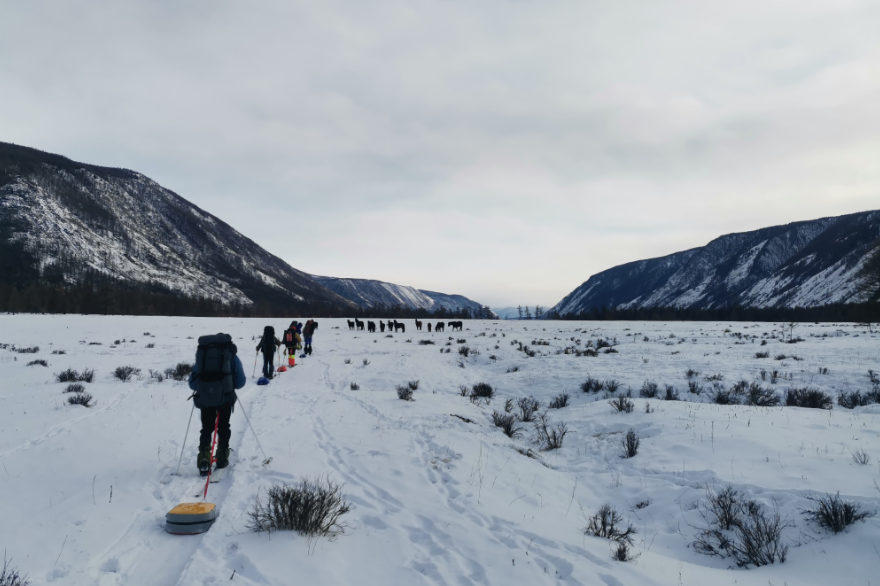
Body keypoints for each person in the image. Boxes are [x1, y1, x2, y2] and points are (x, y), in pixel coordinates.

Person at [188, 333, 246, 476]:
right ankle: (222, 457)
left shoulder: (203, 354)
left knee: (207, 428)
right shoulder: (231, 356)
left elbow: (192, 383)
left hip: (205, 398)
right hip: (225, 398)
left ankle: (204, 459)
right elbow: (240, 382)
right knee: (223, 426)